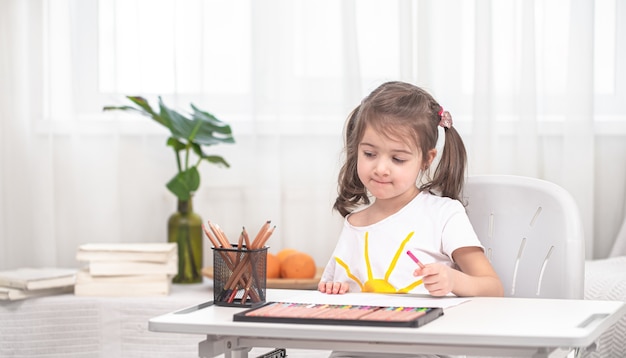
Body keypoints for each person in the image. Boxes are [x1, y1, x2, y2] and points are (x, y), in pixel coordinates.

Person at [318, 81, 503, 298]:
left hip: (429, 330)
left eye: (398, 159)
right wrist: (336, 289)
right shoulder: (354, 224)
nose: (380, 169)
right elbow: (334, 288)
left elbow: (493, 288)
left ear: (426, 159)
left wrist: (453, 280)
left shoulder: (443, 214)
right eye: (369, 154)